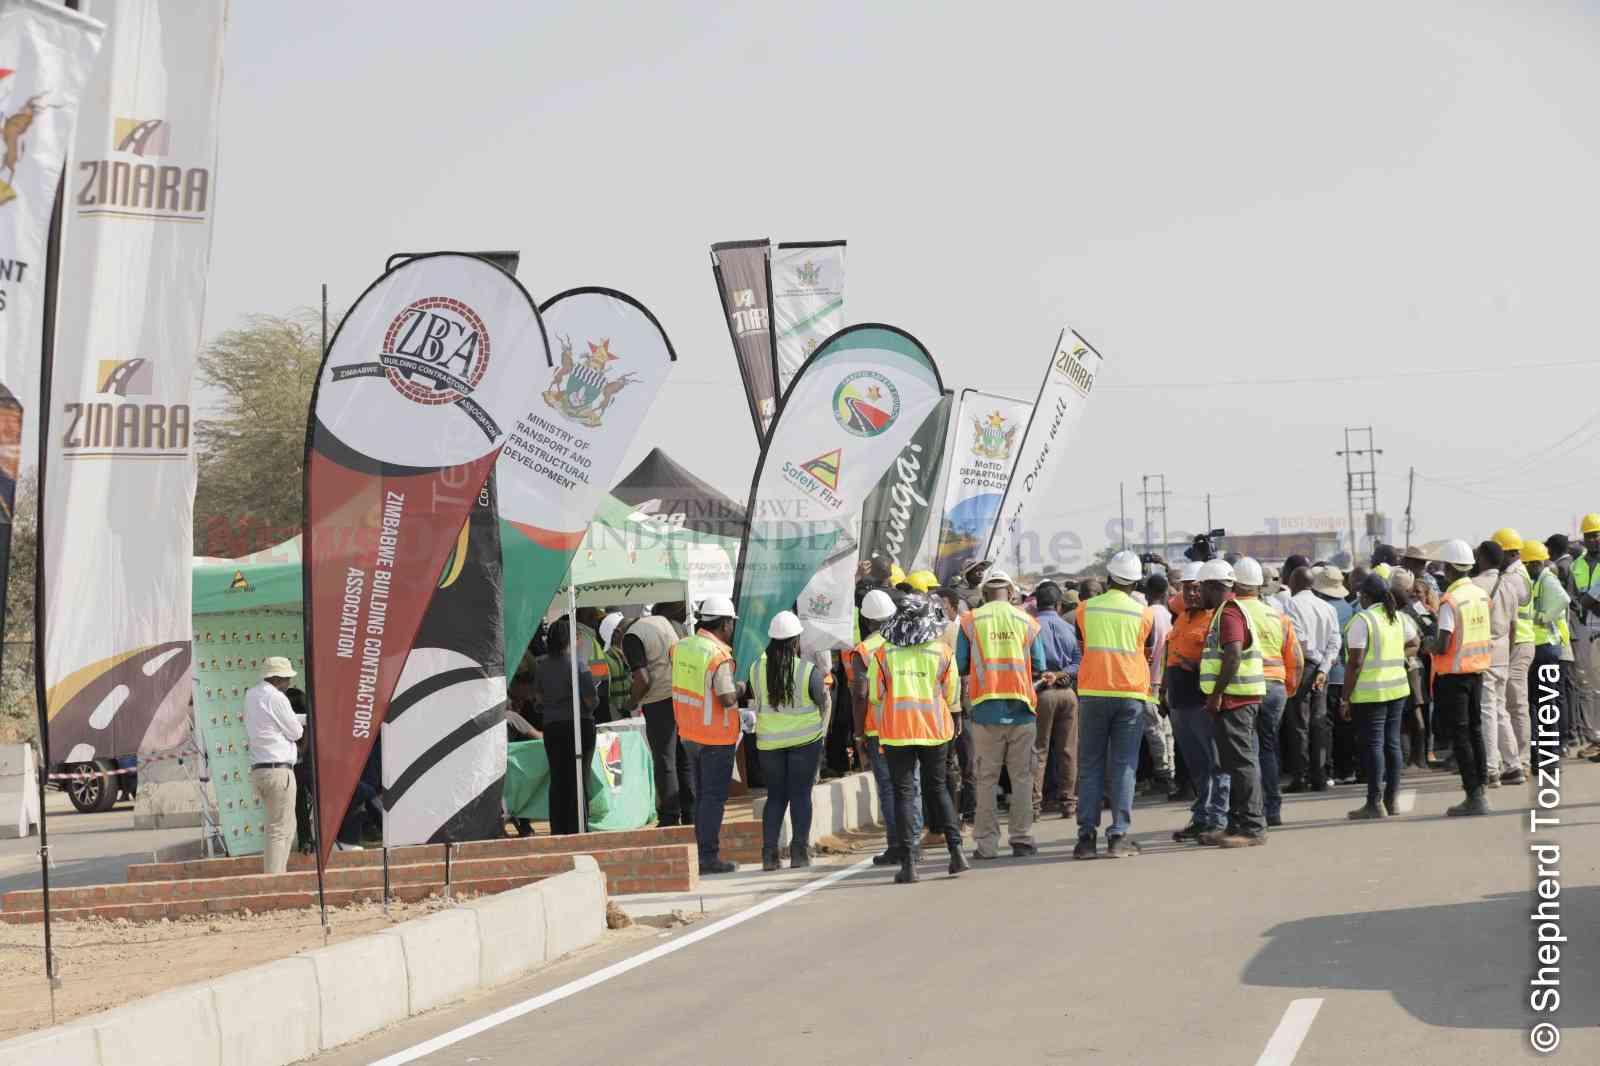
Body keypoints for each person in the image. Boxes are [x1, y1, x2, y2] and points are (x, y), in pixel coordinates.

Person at [873, 594, 970, 883]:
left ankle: (909, 864)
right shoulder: (942, 652)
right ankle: (956, 853)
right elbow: (952, 695)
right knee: (938, 788)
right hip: (935, 729)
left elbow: (876, 696)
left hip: (897, 732)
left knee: (904, 794)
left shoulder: (883, 654)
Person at [958, 569, 1047, 860]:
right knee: (1021, 778)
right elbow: (1041, 663)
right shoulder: (1027, 621)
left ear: (983, 593)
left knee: (986, 779)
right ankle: (1021, 839)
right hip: (1022, 709)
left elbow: (960, 664)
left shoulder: (970, 621)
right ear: (1011, 593)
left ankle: (986, 845)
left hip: (985, 710)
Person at [1072, 550, 1154, 859]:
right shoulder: (1143, 614)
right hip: (1130, 693)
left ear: (1108, 579)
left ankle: (1085, 840)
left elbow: (1083, 645)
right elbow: (1146, 651)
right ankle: (1118, 837)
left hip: (1094, 691)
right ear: (1135, 583)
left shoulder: (1085, 609)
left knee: (1091, 765)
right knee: (1124, 766)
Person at [1197, 560, 1267, 848]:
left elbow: (1234, 655)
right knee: (1233, 763)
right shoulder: (1225, 612)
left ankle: (1252, 827)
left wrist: (1216, 694)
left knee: (1241, 764)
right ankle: (1237, 823)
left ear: (1213, 587)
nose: (1198, 593)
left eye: (1201, 587)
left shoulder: (1230, 614)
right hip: (1234, 698)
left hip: (1237, 698)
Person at [671, 596, 743, 873]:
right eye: (731, 624)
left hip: (689, 734)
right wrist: (740, 688)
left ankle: (704, 854)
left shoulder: (680, 647)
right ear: (724, 623)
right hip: (715, 738)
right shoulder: (718, 655)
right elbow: (726, 698)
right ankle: (708, 857)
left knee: (702, 797)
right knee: (712, 799)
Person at [751, 611, 828, 871]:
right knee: (800, 796)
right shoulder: (808, 671)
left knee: (775, 798)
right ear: (796, 641)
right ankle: (799, 853)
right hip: (805, 742)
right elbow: (822, 701)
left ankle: (769, 855)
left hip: (769, 745)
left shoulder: (755, 669)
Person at [848, 588, 919, 866]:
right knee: (912, 785)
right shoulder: (907, 641)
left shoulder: (864, 650)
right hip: (909, 723)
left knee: (889, 789)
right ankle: (913, 844)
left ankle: (897, 846)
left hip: (879, 729)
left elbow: (860, 695)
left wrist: (857, 733)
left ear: (866, 621)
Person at [1424, 539, 1493, 816]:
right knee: (1475, 731)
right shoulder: (1480, 595)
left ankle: (1473, 795)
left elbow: (1442, 643)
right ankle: (1482, 786)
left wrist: (1428, 643)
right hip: (1476, 671)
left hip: (1454, 675)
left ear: (1450, 570)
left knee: (1461, 735)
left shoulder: (1450, 600)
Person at [1230, 558, 1301, 827]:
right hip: (1275, 688)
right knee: (1267, 748)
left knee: (1248, 750)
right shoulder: (1278, 616)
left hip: (1245, 687)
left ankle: (1253, 811)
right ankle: (1273, 809)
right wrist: (1288, 687)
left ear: (1235, 583)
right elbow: (1295, 657)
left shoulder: (1231, 611)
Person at [1338, 574, 1415, 819]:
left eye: (1361, 594)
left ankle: (1374, 803)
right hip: (1397, 689)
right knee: (1392, 744)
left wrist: (1345, 697)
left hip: (1371, 693)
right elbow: (1415, 642)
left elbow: (1355, 662)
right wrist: (1401, 657)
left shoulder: (1363, 620)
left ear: (1366, 596)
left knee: (1374, 745)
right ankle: (1392, 800)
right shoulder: (1398, 617)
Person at [1166, 561, 1230, 842]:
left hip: (1202, 703)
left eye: (1195, 589)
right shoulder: (1181, 618)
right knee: (1197, 767)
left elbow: (1219, 659)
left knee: (1216, 765)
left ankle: (1218, 818)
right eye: (1186, 589)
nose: (1191, 594)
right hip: (1179, 704)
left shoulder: (1215, 619)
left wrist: (1193, 663)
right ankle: (1201, 816)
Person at [624, 602, 692, 827]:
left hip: (659, 700)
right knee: (683, 758)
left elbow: (643, 679)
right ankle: (691, 813)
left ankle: (670, 817)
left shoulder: (631, 636)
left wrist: (631, 701)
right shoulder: (667, 624)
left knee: (665, 760)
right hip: (682, 695)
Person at [537, 617, 599, 836]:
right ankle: (578, 826)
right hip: (578, 724)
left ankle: (559, 827)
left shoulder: (541, 665)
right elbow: (591, 699)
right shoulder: (577, 664)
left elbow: (539, 697)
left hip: (552, 726)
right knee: (579, 777)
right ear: (569, 639)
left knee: (558, 778)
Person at [1282, 565, 1340, 792]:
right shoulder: (1327, 607)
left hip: (1303, 667)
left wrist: (1316, 664)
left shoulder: (1291, 605)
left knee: (1299, 724)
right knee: (1319, 723)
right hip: (1322, 670)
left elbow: (1301, 641)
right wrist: (1324, 667)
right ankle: (1320, 775)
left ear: (1294, 583)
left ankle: (1301, 777)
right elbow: (1336, 641)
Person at [1471, 540, 1523, 786]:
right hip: (1504, 652)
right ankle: (1513, 765)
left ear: (1481, 558)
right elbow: (1514, 627)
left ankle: (1491, 768)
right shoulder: (1510, 586)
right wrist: (1508, 653)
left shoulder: (1475, 586)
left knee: (1487, 711)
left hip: (1483, 653)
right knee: (1500, 710)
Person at [245, 657, 304, 875]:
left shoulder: (252, 694)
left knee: (281, 827)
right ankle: (275, 879)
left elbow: (272, 722)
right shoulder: (277, 697)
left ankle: (276, 875)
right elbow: (296, 732)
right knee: (280, 829)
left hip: (260, 768)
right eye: (287, 678)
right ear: (278, 678)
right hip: (278, 770)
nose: (288, 683)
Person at [1031, 581, 1081, 819]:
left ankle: (1034, 805)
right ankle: (1069, 802)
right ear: (1059, 605)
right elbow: (1078, 662)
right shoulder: (1068, 627)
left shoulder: (1030, 627)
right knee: (1068, 750)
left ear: (1035, 604)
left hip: (1041, 692)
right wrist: (1061, 674)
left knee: (1039, 750)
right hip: (1067, 693)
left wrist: (1047, 675)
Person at [1495, 529, 1535, 781]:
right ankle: (1515, 757)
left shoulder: (1514, 577)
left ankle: (1521, 759)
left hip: (1518, 642)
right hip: (1518, 641)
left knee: (1516, 703)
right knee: (1512, 703)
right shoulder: (1513, 573)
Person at [1523, 540, 1571, 748]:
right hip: (1543, 647)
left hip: (1546, 647)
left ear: (1534, 563)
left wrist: (1543, 617)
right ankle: (1548, 749)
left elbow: (1564, 599)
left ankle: (1550, 751)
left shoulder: (1546, 578)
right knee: (1544, 700)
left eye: (1526, 565)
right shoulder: (1541, 579)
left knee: (1546, 701)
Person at [1314, 567, 1358, 783]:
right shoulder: (1351, 610)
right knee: (1346, 724)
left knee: (1327, 724)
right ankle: (1347, 769)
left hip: (1326, 672)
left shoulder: (1321, 609)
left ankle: (1328, 770)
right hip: (1348, 674)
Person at [1139, 571, 1176, 798]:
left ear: (1147, 592)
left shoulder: (1147, 615)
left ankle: (1163, 775)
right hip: (1167, 679)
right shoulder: (1171, 615)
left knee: (1154, 730)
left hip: (1150, 680)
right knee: (1166, 730)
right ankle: (1170, 770)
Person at [1566, 514, 1600, 756]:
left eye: (1597, 535)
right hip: (1584, 629)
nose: (1594, 540)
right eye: (1589, 536)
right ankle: (1594, 736)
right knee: (1587, 685)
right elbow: (1573, 596)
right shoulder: (1576, 565)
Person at [574, 606, 613, 722]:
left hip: (594, 693)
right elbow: (581, 666)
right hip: (594, 696)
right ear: (590, 619)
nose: (599, 623)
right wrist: (591, 697)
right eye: (597, 619)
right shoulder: (584, 637)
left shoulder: (586, 636)